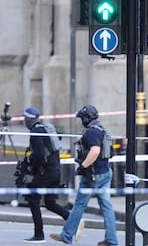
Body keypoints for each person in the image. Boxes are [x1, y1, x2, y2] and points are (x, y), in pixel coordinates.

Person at [50, 105, 118, 246]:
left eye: (82, 118)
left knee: (79, 205)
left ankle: (67, 235)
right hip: (105, 172)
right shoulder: (102, 129)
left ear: (87, 118)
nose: (81, 121)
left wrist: (83, 166)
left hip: (92, 175)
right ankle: (111, 240)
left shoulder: (92, 132)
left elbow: (95, 151)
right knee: (107, 206)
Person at [22, 107, 75, 243]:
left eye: (24, 119)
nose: (23, 121)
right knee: (50, 203)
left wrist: (32, 170)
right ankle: (73, 221)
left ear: (29, 119)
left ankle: (39, 234)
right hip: (56, 169)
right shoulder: (46, 127)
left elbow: (40, 155)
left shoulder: (35, 132)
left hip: (47, 171)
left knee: (33, 198)